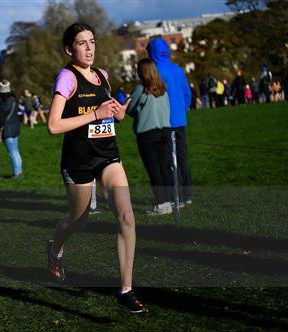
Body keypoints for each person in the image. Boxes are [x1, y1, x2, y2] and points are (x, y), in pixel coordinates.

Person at [46, 23, 146, 314]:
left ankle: (126, 290)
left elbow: (109, 115)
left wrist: (119, 112)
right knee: (78, 222)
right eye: (81, 43)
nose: (89, 48)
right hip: (78, 162)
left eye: (92, 41)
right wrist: (94, 114)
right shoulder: (66, 77)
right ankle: (55, 249)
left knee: (127, 217)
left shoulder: (102, 75)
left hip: (107, 156)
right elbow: (53, 126)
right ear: (69, 49)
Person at [147, 37, 192, 205]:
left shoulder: (154, 71)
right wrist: (183, 108)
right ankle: (186, 195)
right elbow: (187, 93)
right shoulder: (178, 69)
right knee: (181, 157)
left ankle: (176, 195)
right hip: (180, 119)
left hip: (163, 121)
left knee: (167, 160)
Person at [126, 58, 172, 215]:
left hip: (147, 134)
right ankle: (168, 202)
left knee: (154, 170)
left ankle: (160, 204)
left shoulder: (140, 89)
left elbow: (129, 110)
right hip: (165, 131)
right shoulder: (162, 88)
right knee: (163, 168)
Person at [0, 79, 23, 179]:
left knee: (12, 152)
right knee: (16, 151)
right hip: (15, 128)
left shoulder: (3, 104)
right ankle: (19, 170)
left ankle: (17, 172)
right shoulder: (14, 100)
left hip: (7, 130)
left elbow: (1, 114)